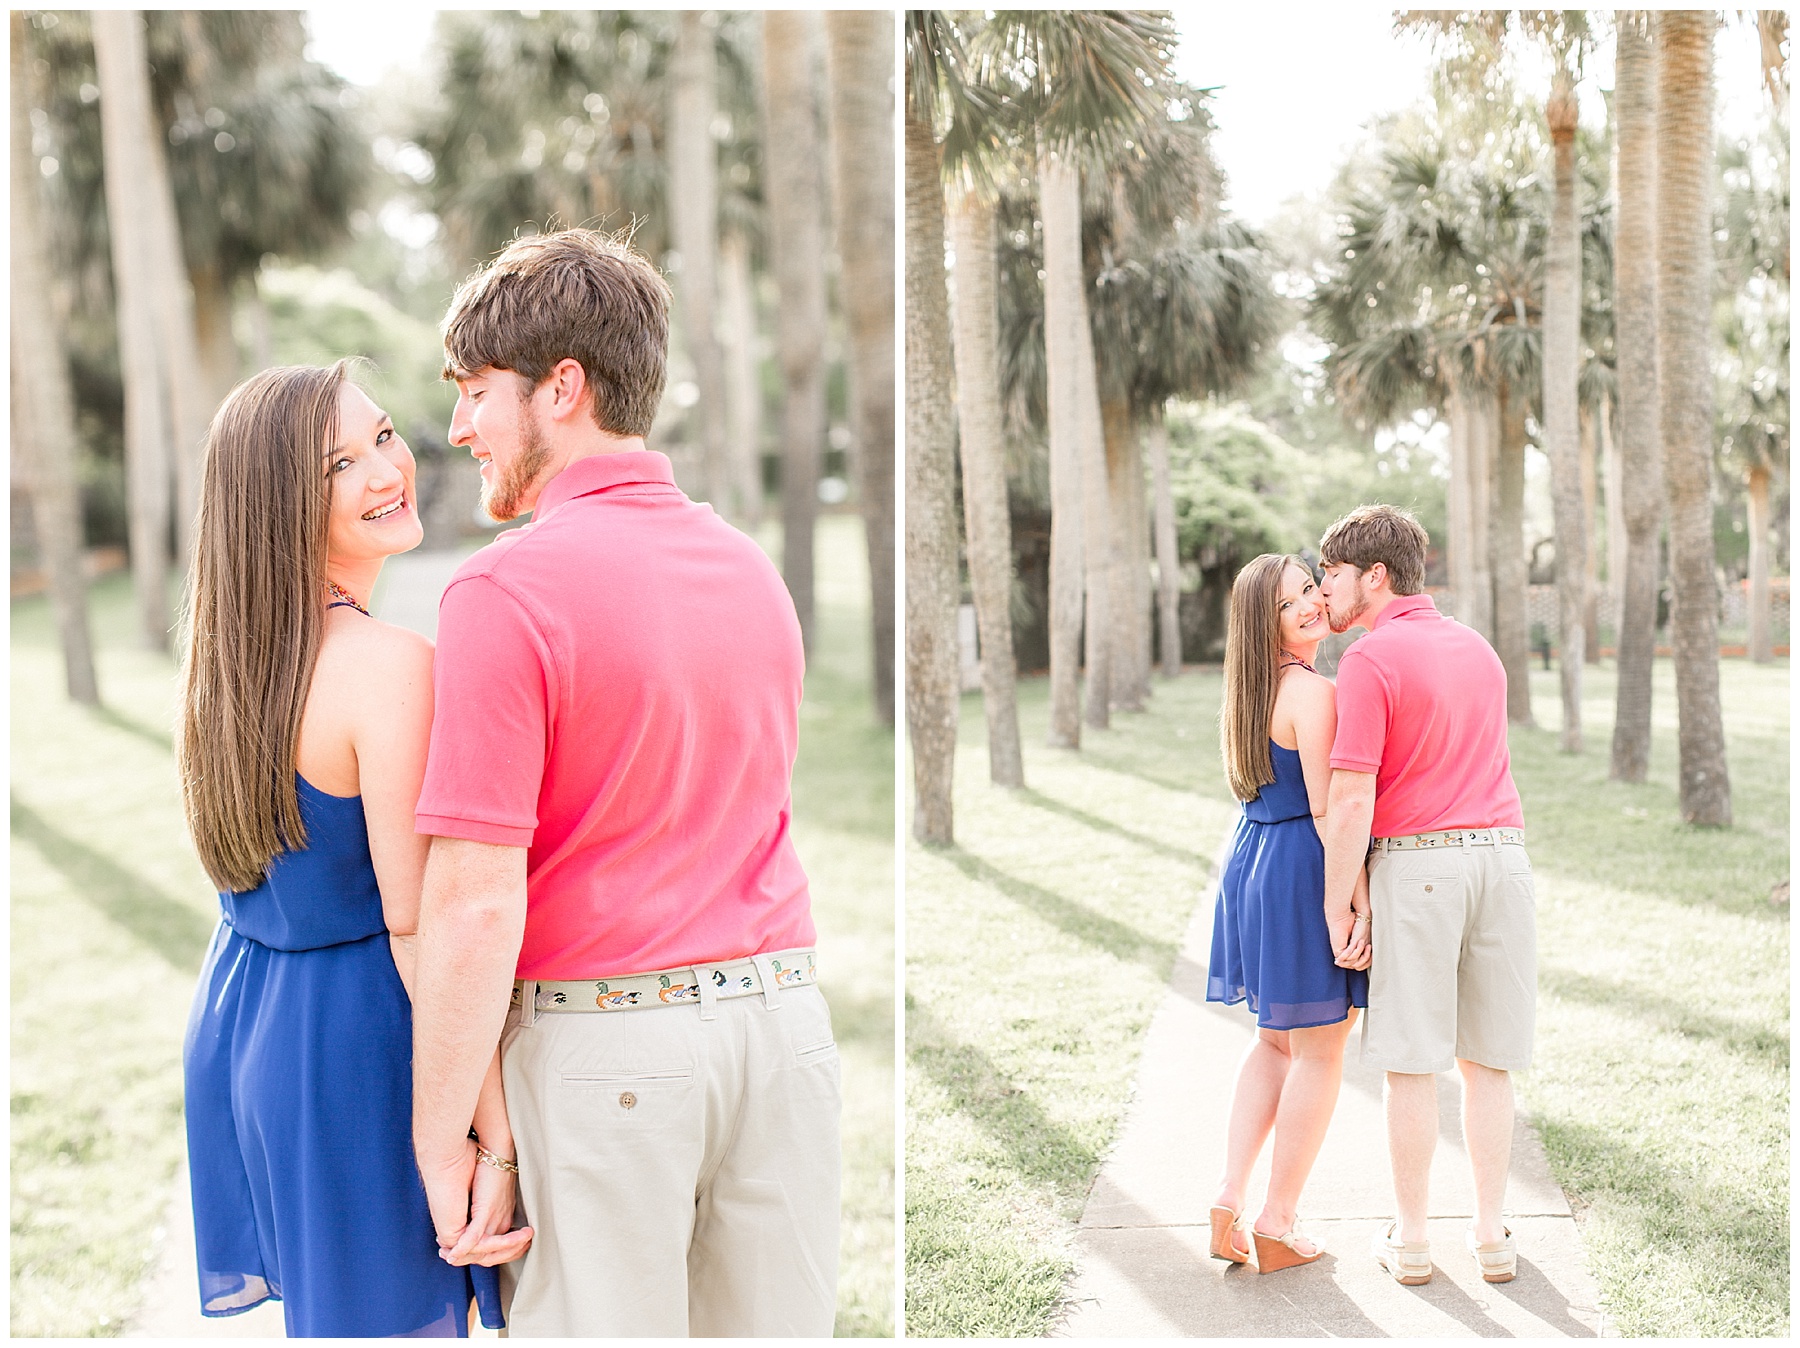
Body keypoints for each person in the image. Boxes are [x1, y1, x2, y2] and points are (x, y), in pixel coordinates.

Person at [408, 228, 840, 1337]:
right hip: (783, 1036)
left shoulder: (502, 589)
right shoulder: (753, 570)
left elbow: (473, 901)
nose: (459, 428)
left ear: (562, 388)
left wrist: (442, 1134)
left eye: (475, 392)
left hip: (610, 1058)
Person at [177, 362, 528, 1338]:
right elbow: (429, 931)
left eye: (381, 437)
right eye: (340, 462)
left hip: (248, 1024)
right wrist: (494, 1142)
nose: (387, 470)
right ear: (280, 503)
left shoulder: (229, 667)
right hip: (356, 1053)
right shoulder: (389, 670)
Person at [1316, 504, 1535, 1288]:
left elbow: (1350, 799)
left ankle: (1411, 1242)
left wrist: (1338, 900)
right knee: (1489, 1062)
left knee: (1411, 1063)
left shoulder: (1371, 661)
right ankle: (1490, 1237)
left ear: (1373, 576)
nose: (1323, 590)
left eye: (1332, 574)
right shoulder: (1479, 648)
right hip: (1504, 863)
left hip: (1421, 867)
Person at [1206, 553, 1372, 1272]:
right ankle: (1277, 1220)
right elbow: (1328, 806)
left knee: (1274, 1042)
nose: (1311, 603)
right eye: (1292, 601)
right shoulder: (1311, 691)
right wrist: (1355, 902)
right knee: (1322, 1047)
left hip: (1252, 861)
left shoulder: (1247, 693)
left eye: (1310, 588)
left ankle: (1227, 1198)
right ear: (1265, 625)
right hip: (1302, 865)